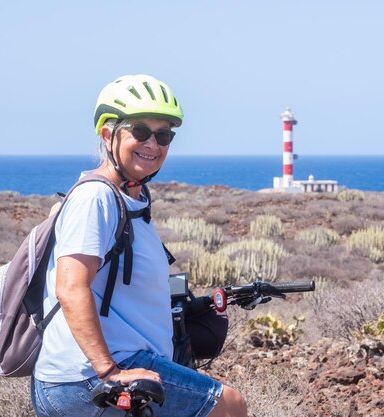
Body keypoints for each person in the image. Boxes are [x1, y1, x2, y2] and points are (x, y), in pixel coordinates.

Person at [31, 74, 247, 417]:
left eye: (163, 135)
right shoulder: (96, 197)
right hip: (89, 377)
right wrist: (110, 372)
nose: (153, 144)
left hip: (97, 371)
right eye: (140, 131)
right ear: (107, 134)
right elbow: (71, 288)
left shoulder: (133, 199)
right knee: (229, 406)